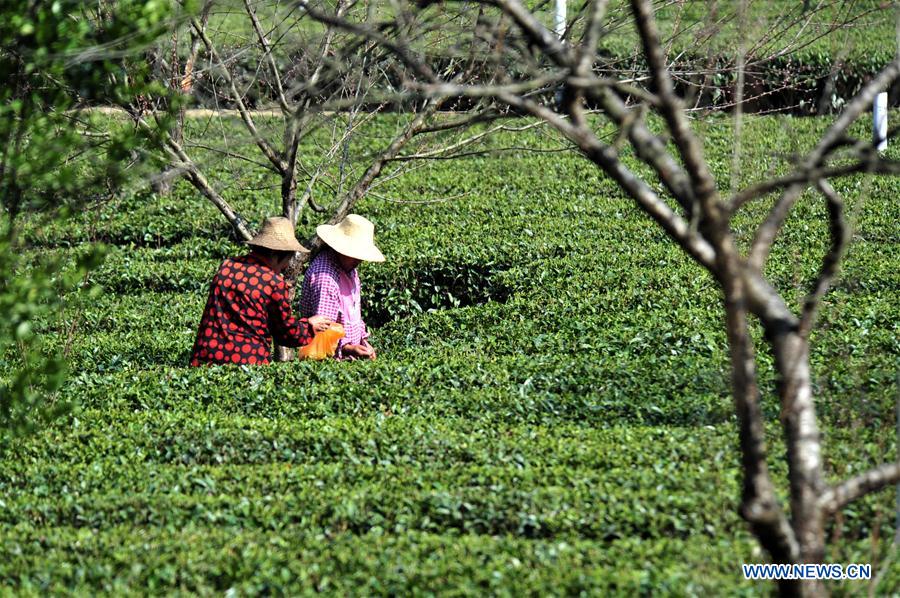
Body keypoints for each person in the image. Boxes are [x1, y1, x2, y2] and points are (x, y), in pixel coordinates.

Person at [190, 216, 331, 366]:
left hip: (205, 358)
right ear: (279, 255)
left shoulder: (227, 266)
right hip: (246, 363)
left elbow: (246, 300)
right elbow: (287, 334)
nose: (284, 267)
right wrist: (309, 325)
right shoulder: (274, 283)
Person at [300, 214, 384, 360]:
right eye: (355, 254)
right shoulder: (325, 277)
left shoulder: (349, 269)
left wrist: (363, 342)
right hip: (329, 366)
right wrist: (349, 348)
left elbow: (352, 314)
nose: (359, 260)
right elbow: (323, 333)